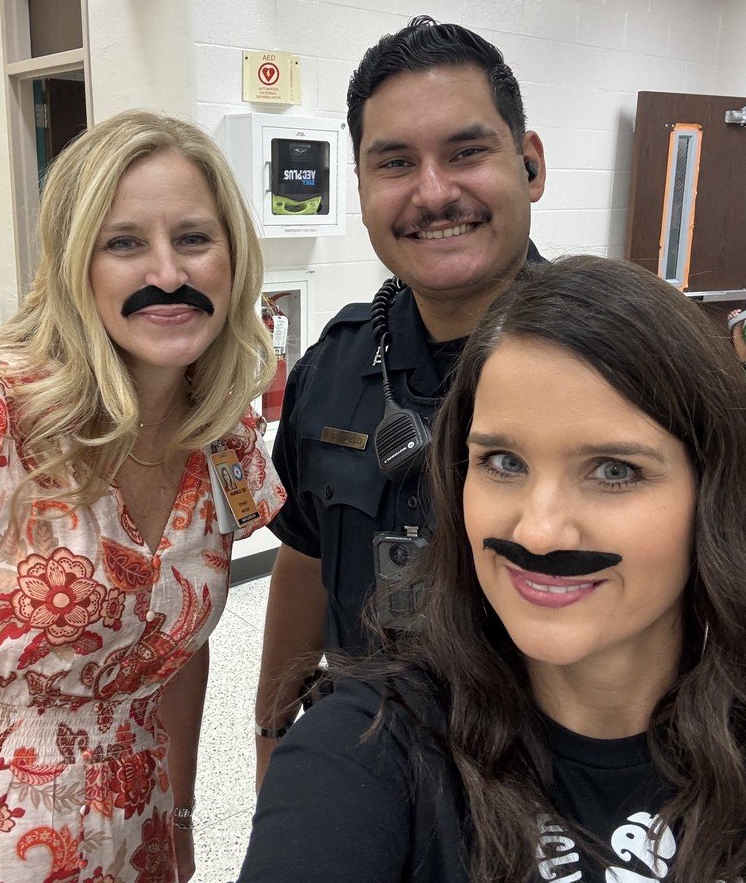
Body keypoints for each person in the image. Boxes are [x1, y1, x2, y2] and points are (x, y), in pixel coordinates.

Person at [239, 255, 746, 883]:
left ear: (713, 491)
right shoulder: (365, 750)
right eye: (504, 462)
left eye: (614, 470)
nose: (538, 532)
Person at [0, 111, 285, 883]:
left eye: (193, 238)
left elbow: (176, 650)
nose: (169, 274)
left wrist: (180, 818)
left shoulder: (225, 438)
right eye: (124, 243)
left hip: (135, 828)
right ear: (73, 262)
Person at [254, 16, 547, 783]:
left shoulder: (619, 363)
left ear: (530, 165)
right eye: (395, 163)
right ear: (360, 189)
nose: (434, 192)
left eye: (466, 152)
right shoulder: (335, 365)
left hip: (543, 789)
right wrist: (273, 733)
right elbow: (304, 558)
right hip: (364, 774)